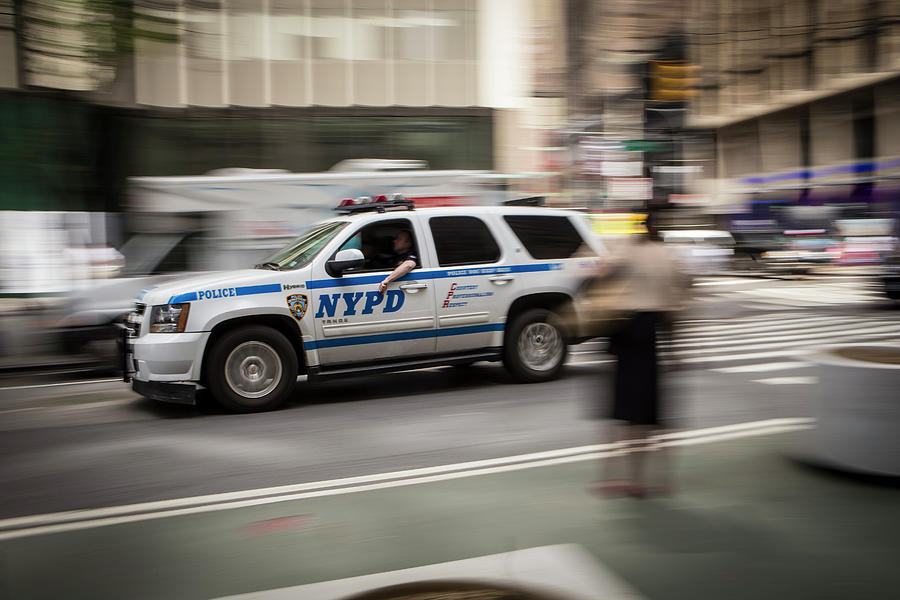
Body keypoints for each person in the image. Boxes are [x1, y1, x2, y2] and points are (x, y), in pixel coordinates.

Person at [590, 212, 689, 498]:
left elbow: (601, 282)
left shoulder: (626, 251)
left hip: (625, 335)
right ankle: (655, 479)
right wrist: (677, 350)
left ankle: (614, 479)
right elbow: (675, 307)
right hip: (650, 336)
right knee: (650, 416)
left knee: (622, 414)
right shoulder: (667, 256)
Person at [377, 230, 418, 294]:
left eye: (399, 239)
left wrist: (387, 280)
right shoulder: (395, 257)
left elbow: (409, 264)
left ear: (408, 243)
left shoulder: (411, 255)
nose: (394, 241)